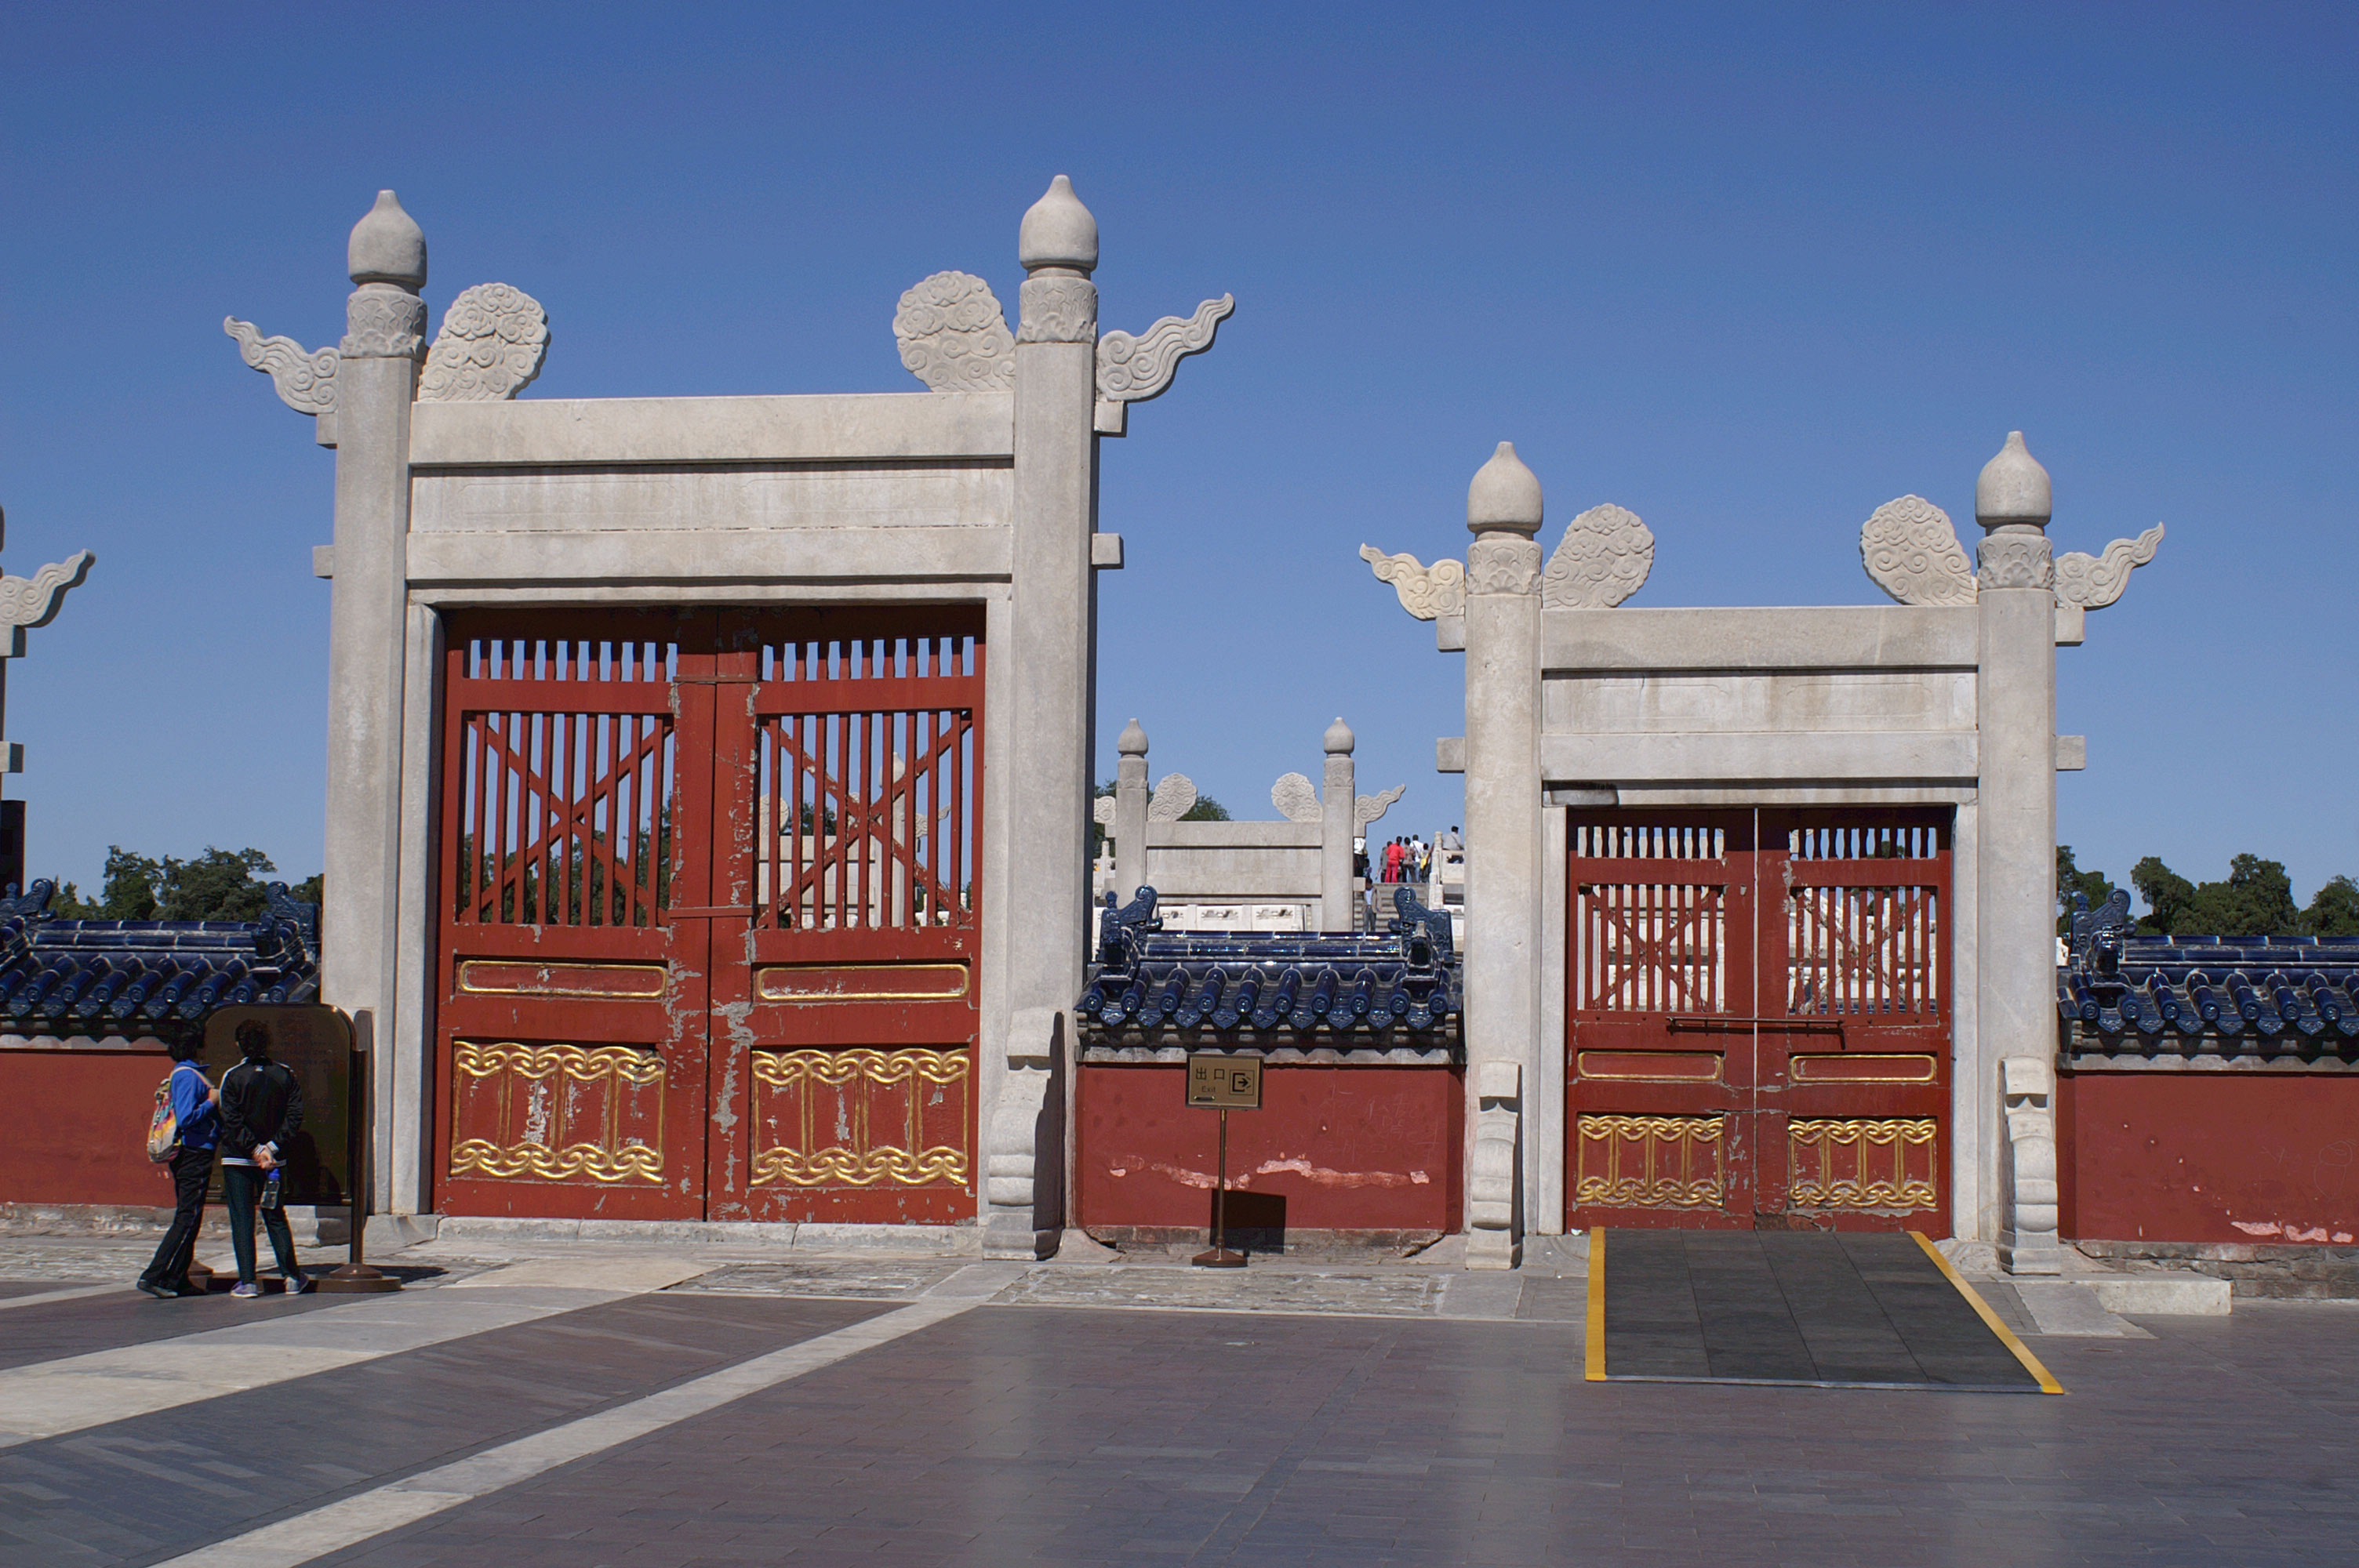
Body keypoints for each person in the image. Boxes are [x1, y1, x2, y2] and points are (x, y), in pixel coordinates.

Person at [217, 1018, 310, 1298]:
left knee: (242, 1218)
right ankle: (291, 1276)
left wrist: (254, 1148)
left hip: (238, 1159)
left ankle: (248, 1280)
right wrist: (271, 1146)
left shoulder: (232, 1076)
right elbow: (294, 1116)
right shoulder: (285, 1074)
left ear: (239, 1045)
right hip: (273, 1161)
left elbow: (231, 1119)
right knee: (275, 1214)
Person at [136, 1037, 219, 1300]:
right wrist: (212, 1102)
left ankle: (178, 1277)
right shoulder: (188, 1076)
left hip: (194, 1151)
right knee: (187, 1216)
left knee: (191, 1217)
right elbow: (186, 1117)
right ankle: (155, 1274)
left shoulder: (184, 1074)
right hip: (194, 1152)